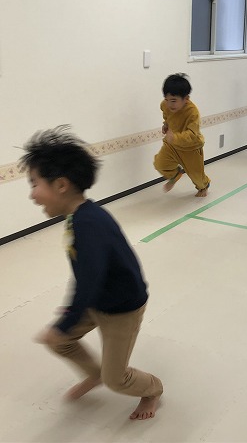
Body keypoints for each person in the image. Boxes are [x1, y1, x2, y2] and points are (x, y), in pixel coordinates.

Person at [20, 126, 163, 420]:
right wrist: (69, 318)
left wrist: (65, 322)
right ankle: (94, 374)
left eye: (35, 184)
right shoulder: (78, 216)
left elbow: (90, 279)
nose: (32, 195)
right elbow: (86, 275)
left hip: (121, 309)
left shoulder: (89, 224)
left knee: (116, 379)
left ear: (61, 185)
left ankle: (152, 390)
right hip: (96, 300)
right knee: (62, 343)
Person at [154, 73, 211, 197]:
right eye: (167, 100)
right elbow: (167, 116)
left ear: (186, 99)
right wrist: (166, 125)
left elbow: (192, 135)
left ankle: (204, 186)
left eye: (174, 101)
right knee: (159, 163)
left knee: (196, 176)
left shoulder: (192, 112)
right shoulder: (165, 105)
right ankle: (175, 175)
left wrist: (174, 137)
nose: (170, 104)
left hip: (191, 148)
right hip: (172, 145)